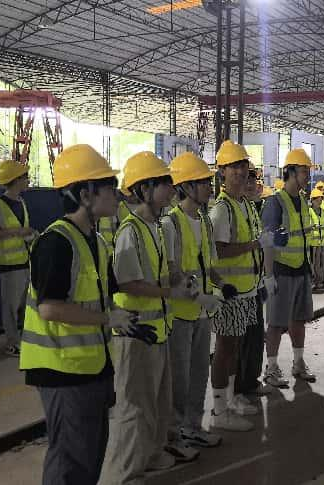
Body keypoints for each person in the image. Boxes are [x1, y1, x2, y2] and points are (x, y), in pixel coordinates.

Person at [21, 145, 153, 485]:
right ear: (84, 194)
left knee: (91, 454)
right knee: (70, 459)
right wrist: (109, 320)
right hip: (62, 369)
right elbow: (50, 308)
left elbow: (101, 301)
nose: (116, 194)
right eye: (109, 186)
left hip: (91, 365)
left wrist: (126, 321)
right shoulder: (56, 242)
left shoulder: (96, 242)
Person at [102, 151, 193, 483]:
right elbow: (128, 283)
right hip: (136, 333)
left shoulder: (155, 227)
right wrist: (171, 293)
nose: (171, 189)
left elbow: (163, 271)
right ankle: (124, 474)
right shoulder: (131, 231)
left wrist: (180, 279)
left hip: (157, 329)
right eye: (164, 183)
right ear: (144, 189)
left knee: (157, 402)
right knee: (133, 408)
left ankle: (151, 456)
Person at [161, 151, 226, 457]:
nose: (208, 187)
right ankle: (174, 436)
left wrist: (223, 286)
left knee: (200, 372)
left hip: (202, 312)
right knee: (179, 378)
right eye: (202, 182)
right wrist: (199, 295)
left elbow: (208, 264)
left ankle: (193, 427)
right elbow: (172, 271)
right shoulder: (171, 224)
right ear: (185, 187)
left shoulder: (204, 221)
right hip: (180, 314)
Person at [209, 140, 273, 432]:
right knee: (224, 350)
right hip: (229, 292)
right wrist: (254, 244)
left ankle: (232, 398)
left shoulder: (244, 205)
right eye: (232, 167)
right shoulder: (222, 209)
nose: (239, 171)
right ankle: (219, 410)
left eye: (242, 165)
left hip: (246, 290)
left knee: (234, 349)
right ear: (222, 171)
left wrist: (262, 279)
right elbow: (219, 250)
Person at [261, 147, 317, 387]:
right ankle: (271, 369)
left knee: (299, 320)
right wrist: (268, 276)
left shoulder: (303, 201)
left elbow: (302, 237)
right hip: (282, 271)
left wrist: (309, 267)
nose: (308, 176)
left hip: (301, 269)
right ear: (291, 172)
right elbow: (267, 241)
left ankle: (298, 362)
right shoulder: (275, 202)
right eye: (304, 171)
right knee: (276, 323)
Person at [0, 159, 36, 356]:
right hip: (8, 265)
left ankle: (23, 340)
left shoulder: (21, 202)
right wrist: (17, 232)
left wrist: (30, 235)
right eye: (25, 177)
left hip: (25, 262)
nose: (28, 180)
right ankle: (12, 343)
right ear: (16, 180)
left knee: (24, 306)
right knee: (11, 308)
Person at [234, 164, 271, 410]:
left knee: (256, 338)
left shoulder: (250, 208)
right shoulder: (228, 209)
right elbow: (223, 249)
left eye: (253, 180)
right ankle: (237, 388)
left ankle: (251, 381)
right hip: (237, 289)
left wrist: (266, 277)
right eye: (246, 180)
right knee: (240, 343)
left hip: (254, 283)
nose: (250, 184)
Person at [308, 188, 324, 293]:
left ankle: (318, 281)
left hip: (321, 241)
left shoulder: (323, 212)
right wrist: (313, 226)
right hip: (312, 242)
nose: (319, 201)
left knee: (319, 263)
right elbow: (308, 225)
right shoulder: (309, 211)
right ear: (312, 200)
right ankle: (312, 282)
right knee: (312, 263)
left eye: (320, 199)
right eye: (317, 199)